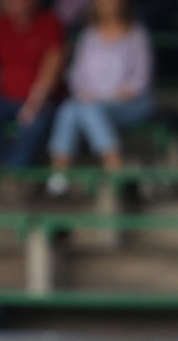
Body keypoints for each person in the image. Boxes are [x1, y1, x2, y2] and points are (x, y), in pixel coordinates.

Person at [46, 0, 153, 196]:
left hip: (130, 103)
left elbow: (140, 81)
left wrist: (106, 96)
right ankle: (60, 174)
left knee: (87, 109)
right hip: (92, 103)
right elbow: (76, 77)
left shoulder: (137, 34)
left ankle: (113, 165)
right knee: (69, 108)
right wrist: (87, 94)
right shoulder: (88, 35)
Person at [0, 0, 64, 169]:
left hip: (42, 100)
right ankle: (17, 171)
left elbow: (54, 61)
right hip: (5, 100)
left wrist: (35, 101)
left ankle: (15, 174)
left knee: (34, 124)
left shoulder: (49, 22)